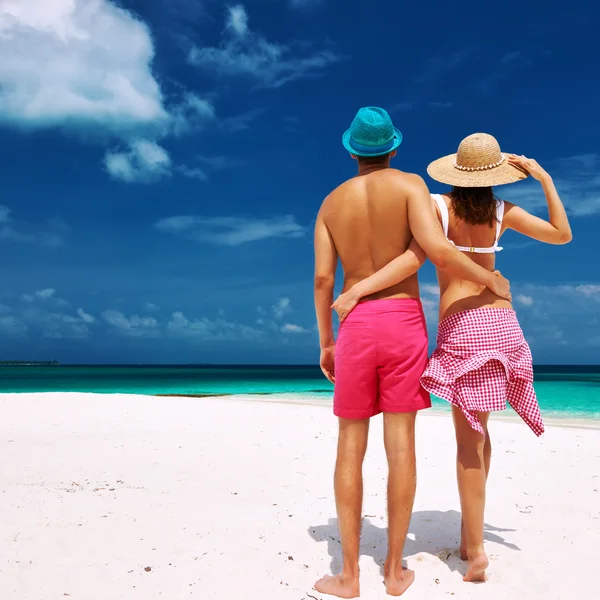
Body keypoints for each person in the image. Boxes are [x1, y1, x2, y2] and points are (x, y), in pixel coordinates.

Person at [331, 132, 572, 585]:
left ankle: (476, 551)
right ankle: (469, 538)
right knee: (482, 439)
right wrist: (543, 178)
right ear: (496, 176)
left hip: (464, 328)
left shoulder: (438, 209)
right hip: (503, 324)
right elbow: (562, 235)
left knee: (468, 441)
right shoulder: (504, 213)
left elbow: (412, 259)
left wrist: (358, 289)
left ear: (456, 173)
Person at [314, 110, 511, 598]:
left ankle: (349, 576)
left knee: (349, 447)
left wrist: (326, 340)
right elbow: (435, 251)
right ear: (393, 148)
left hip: (354, 325)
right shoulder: (409, 186)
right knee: (400, 445)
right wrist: (489, 278)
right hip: (402, 323)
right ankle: (394, 570)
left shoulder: (330, 203)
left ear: (352, 150)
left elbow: (322, 280)